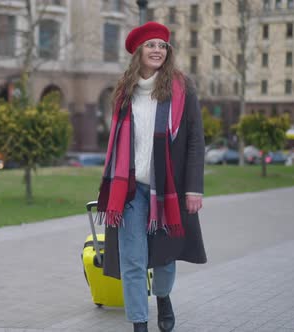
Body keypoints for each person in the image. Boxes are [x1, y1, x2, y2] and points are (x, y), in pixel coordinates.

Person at [96, 21, 207, 332]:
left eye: (162, 45)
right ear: (139, 52)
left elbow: (196, 140)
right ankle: (139, 324)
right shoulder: (124, 92)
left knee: (164, 256)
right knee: (133, 260)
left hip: (168, 188)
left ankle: (162, 297)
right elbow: (116, 143)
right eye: (151, 45)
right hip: (131, 190)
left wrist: (194, 188)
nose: (157, 50)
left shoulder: (182, 89)